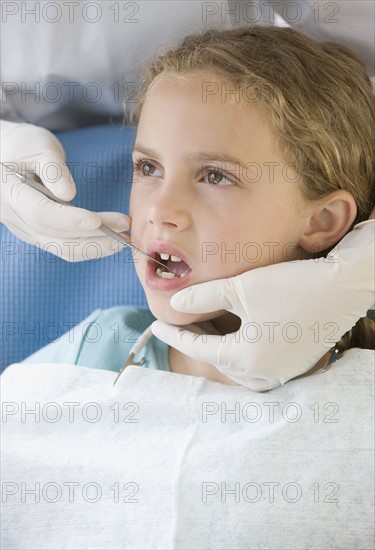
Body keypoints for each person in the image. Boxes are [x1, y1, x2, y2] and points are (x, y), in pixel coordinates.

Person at [22, 24, 375, 390]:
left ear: (323, 221)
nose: (159, 210)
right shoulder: (96, 351)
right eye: (148, 168)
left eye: (215, 176)